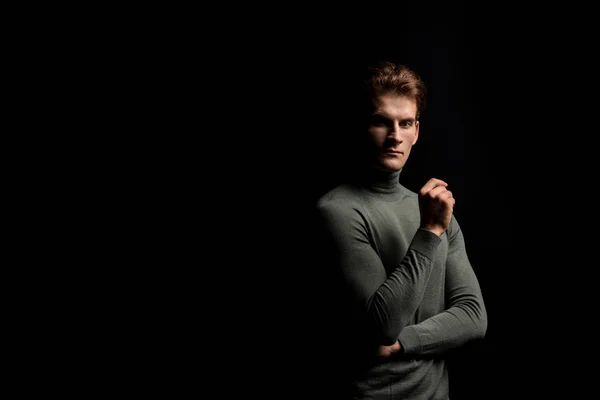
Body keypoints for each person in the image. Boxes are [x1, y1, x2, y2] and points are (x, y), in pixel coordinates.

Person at [312, 61, 487, 399]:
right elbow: (383, 324)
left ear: (416, 132)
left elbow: (473, 317)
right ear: (362, 126)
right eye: (381, 122)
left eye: (405, 123)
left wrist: (401, 346)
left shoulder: (435, 207)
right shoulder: (338, 210)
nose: (395, 135)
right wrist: (430, 231)